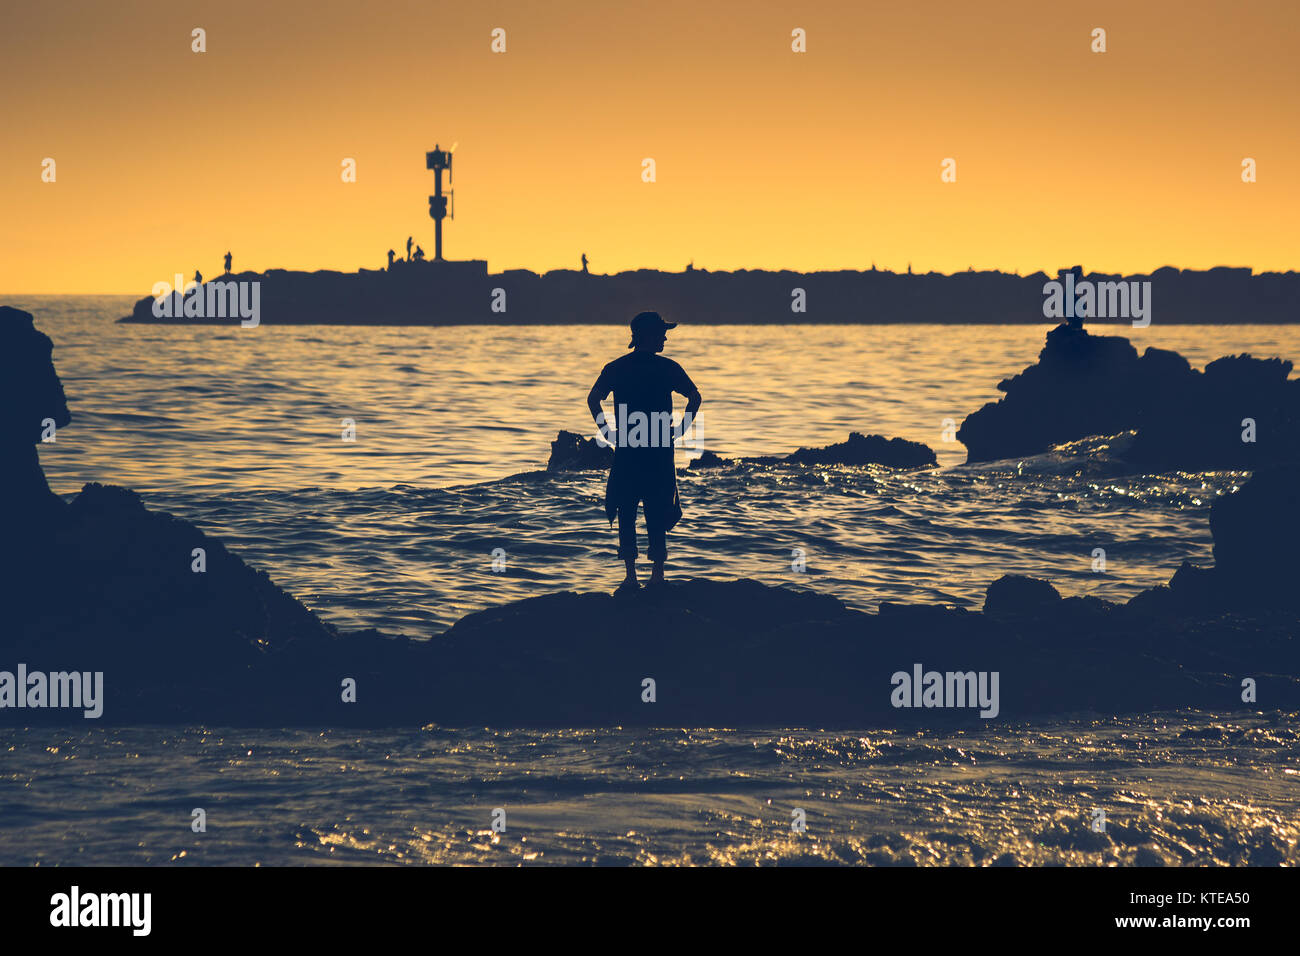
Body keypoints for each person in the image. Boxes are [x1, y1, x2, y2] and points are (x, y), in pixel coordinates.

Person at [587, 312, 702, 593]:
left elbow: (593, 400)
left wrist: (608, 433)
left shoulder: (616, 368)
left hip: (628, 450)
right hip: (659, 451)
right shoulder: (668, 368)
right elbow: (695, 397)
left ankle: (630, 578)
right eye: (661, 332)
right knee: (657, 510)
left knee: (626, 511)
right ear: (648, 335)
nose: (665, 337)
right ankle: (657, 577)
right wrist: (681, 430)